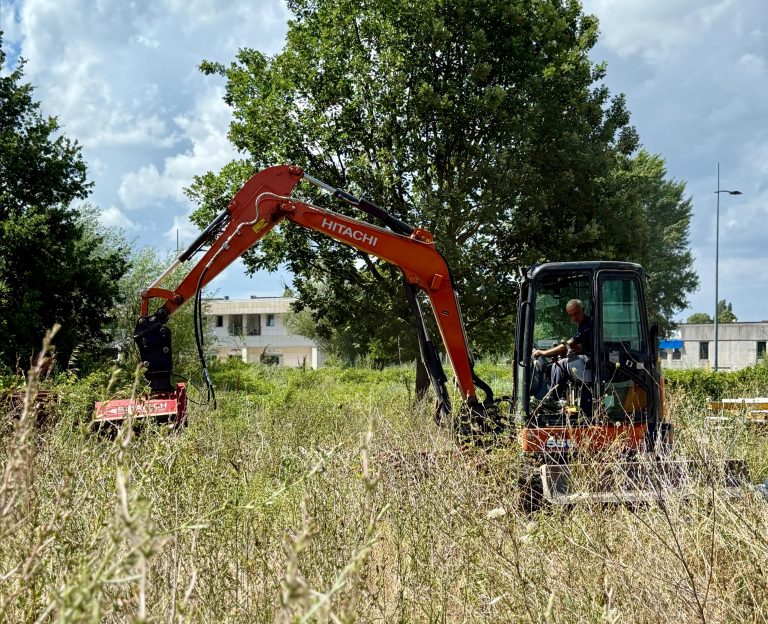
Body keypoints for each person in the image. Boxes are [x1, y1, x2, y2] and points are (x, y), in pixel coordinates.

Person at [532, 299, 593, 401]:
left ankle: (554, 399)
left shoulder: (588, 325)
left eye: (576, 314)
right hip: (588, 358)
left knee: (559, 365)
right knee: (562, 363)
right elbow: (581, 346)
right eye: (571, 315)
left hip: (593, 361)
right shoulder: (583, 325)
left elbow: (569, 344)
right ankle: (563, 397)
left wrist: (543, 352)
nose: (574, 318)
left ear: (583, 309)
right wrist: (563, 352)